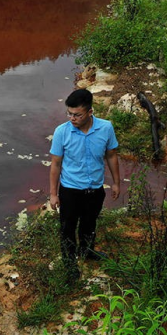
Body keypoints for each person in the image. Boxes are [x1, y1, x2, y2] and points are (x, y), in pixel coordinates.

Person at [49, 88, 120, 280]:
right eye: (69, 114)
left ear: (90, 112)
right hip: (70, 190)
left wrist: (116, 183)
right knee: (67, 228)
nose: (72, 118)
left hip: (95, 189)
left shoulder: (105, 128)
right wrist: (53, 194)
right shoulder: (61, 132)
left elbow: (112, 155)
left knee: (89, 224)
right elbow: (56, 164)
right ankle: (69, 263)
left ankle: (87, 251)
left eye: (77, 114)